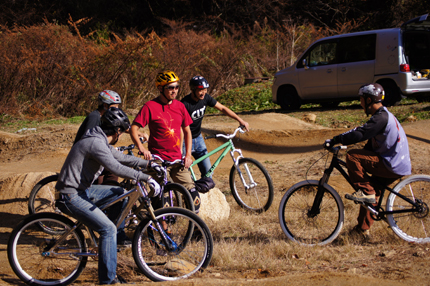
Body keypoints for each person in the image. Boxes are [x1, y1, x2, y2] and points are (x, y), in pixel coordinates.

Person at [55, 107, 161, 285]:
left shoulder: (99, 140)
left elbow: (121, 158)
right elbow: (115, 167)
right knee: (107, 230)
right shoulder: (95, 143)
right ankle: (108, 280)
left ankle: (111, 240)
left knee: (120, 193)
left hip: (82, 191)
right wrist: (145, 177)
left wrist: (149, 164)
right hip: (71, 195)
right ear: (118, 131)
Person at [324, 83, 411, 239]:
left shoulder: (380, 118)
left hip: (391, 164)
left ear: (369, 100)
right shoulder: (384, 116)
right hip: (395, 163)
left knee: (353, 157)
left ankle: (367, 193)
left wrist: (337, 139)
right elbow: (370, 145)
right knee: (371, 189)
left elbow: (360, 133)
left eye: (362, 99)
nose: (360, 103)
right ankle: (362, 230)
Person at [130, 70, 201, 213]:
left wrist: (187, 155)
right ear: (160, 88)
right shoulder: (149, 106)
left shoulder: (180, 106)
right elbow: (134, 128)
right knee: (163, 200)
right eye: (170, 87)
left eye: (176, 87)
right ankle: (164, 230)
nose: (174, 91)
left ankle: (197, 230)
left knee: (194, 196)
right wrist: (142, 148)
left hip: (177, 160)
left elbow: (187, 131)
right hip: (158, 160)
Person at [73, 90, 148, 185]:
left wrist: (139, 133)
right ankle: (109, 195)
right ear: (105, 105)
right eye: (115, 106)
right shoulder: (95, 117)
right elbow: (89, 140)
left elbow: (120, 125)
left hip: (97, 153)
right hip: (86, 158)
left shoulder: (105, 116)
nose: (117, 109)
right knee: (112, 169)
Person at [181, 75, 250, 178]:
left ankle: (203, 190)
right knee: (183, 174)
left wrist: (240, 120)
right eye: (200, 90)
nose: (203, 92)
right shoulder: (184, 104)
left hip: (198, 138)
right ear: (193, 89)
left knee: (208, 173)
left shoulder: (205, 98)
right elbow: (179, 127)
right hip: (184, 141)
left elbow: (222, 108)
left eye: (205, 89)